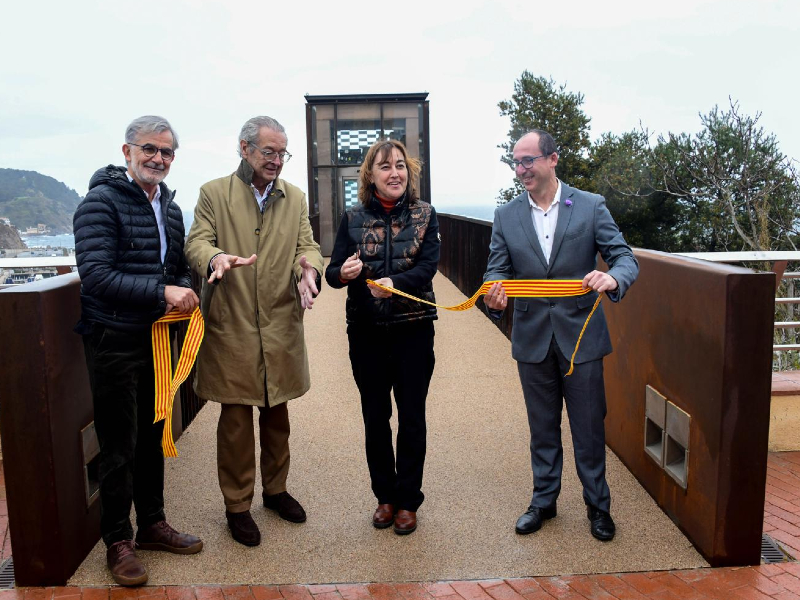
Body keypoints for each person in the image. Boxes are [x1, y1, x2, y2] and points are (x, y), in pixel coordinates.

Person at [483, 130, 638, 542]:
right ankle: (544, 501)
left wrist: (612, 277)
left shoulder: (589, 206)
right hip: (532, 338)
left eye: (527, 161)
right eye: (515, 162)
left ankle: (598, 507)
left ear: (553, 159)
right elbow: (495, 270)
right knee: (542, 428)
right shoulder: (506, 215)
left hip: (582, 337)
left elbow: (624, 257)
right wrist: (494, 296)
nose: (520, 170)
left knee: (589, 427)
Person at [73, 116, 202, 586]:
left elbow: (178, 268)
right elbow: (97, 275)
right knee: (117, 444)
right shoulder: (99, 202)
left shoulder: (169, 207)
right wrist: (161, 293)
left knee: (151, 433)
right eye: (149, 149)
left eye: (167, 152)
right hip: (112, 338)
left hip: (156, 339)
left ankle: (151, 524)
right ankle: (117, 540)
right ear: (127, 151)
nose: (159, 159)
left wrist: (181, 288)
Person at [184, 116, 323, 547]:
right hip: (233, 323)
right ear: (244, 149)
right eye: (269, 152)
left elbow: (308, 246)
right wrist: (217, 257)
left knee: (277, 413)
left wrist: (309, 270)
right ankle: (237, 506)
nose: (277, 161)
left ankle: (275, 491)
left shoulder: (294, 197)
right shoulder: (213, 193)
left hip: (280, 322)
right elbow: (196, 243)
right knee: (236, 421)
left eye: (283, 153)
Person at [325, 139, 440, 535]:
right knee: (376, 417)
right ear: (370, 176)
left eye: (401, 166)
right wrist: (344, 273)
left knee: (412, 417)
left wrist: (394, 283)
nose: (395, 173)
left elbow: (428, 267)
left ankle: (408, 500)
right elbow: (333, 273)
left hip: (414, 330)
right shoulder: (352, 217)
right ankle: (384, 497)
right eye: (385, 166)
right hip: (367, 333)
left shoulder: (426, 214)